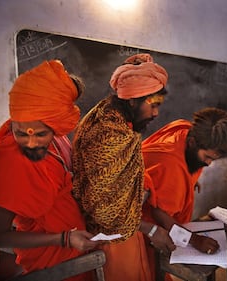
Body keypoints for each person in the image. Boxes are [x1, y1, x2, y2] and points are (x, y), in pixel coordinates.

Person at [0, 60, 99, 281]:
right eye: (21, 132)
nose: (30, 143)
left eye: (40, 134)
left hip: (79, 250)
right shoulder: (14, 160)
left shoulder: (59, 139)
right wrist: (64, 239)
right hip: (52, 267)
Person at [72, 53, 175, 281]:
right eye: (152, 105)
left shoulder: (106, 114)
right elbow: (106, 211)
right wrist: (151, 229)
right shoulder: (112, 135)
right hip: (113, 241)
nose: (156, 113)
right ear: (132, 100)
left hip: (120, 231)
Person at [141, 107, 227, 279]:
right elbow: (158, 213)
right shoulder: (171, 165)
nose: (209, 164)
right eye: (207, 158)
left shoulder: (185, 129)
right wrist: (195, 240)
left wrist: (189, 182)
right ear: (193, 143)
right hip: (144, 227)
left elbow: (183, 169)